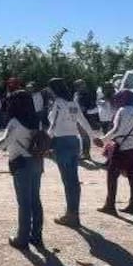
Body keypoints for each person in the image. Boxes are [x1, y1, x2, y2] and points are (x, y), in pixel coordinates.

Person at [0, 90, 45, 252]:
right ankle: (37, 236)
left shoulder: (15, 122)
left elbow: (3, 142)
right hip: (37, 162)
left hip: (21, 164)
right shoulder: (36, 120)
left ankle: (22, 239)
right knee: (35, 200)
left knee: (24, 203)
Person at [46, 78, 95, 228]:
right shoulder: (73, 103)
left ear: (54, 89)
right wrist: (93, 137)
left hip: (62, 143)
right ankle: (74, 213)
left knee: (68, 181)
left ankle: (71, 215)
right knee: (73, 180)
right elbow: (83, 121)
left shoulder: (58, 103)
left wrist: (46, 140)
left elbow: (53, 124)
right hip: (74, 141)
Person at [73, 79, 96, 159]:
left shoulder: (86, 94)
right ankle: (83, 153)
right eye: (79, 85)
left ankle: (86, 154)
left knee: (85, 136)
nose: (83, 86)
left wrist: (81, 109)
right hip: (77, 117)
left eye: (83, 84)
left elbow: (89, 106)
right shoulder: (76, 94)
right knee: (81, 136)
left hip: (85, 117)